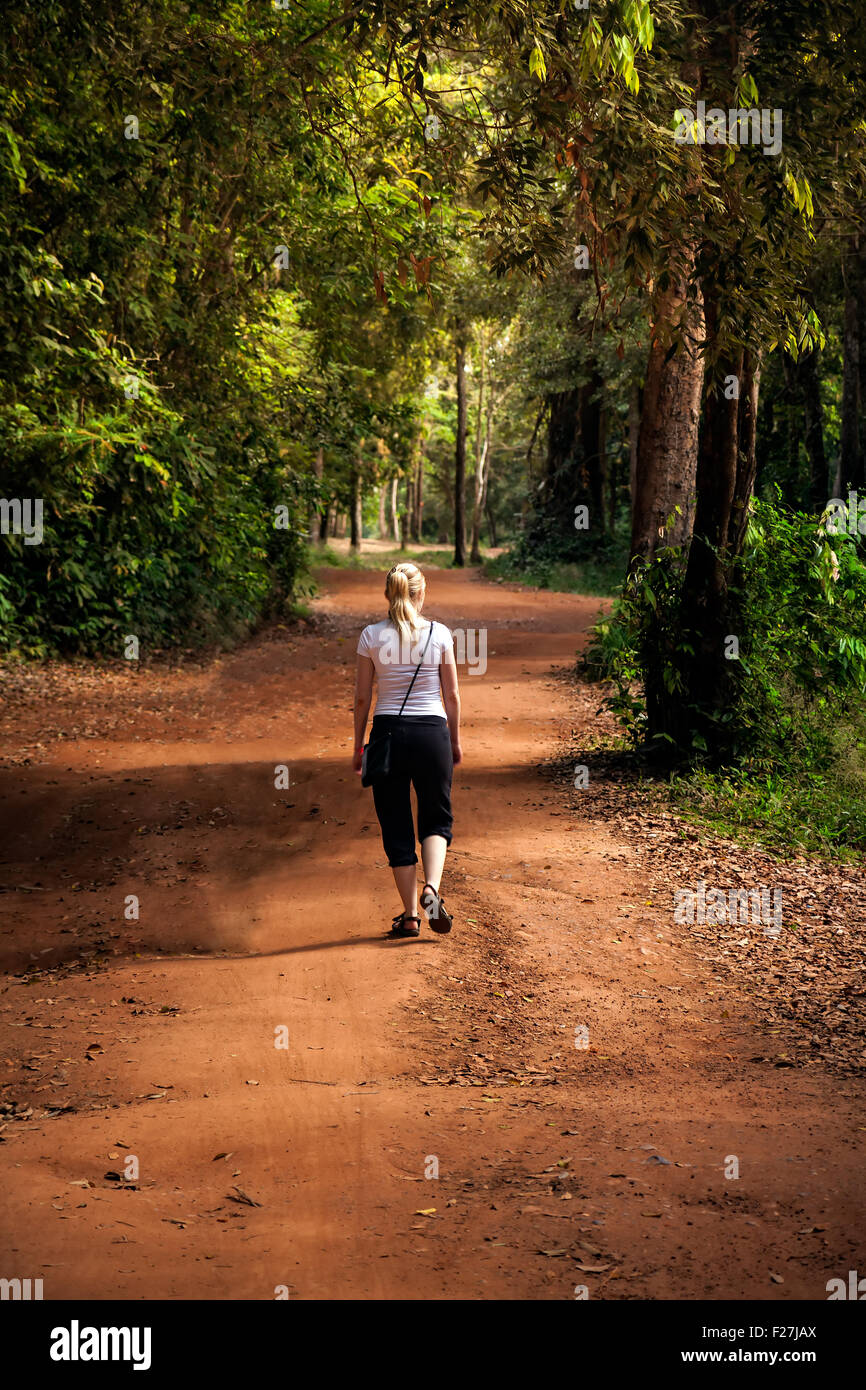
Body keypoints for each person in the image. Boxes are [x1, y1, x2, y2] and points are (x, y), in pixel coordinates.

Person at [352, 562, 462, 938]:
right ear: (421, 593)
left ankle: (411, 915)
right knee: (435, 817)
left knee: (396, 823)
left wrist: (357, 746)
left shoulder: (370, 636)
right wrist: (455, 740)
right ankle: (432, 887)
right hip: (432, 734)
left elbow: (363, 697)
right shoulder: (440, 634)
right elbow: (451, 695)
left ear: (388, 594)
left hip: (387, 736)